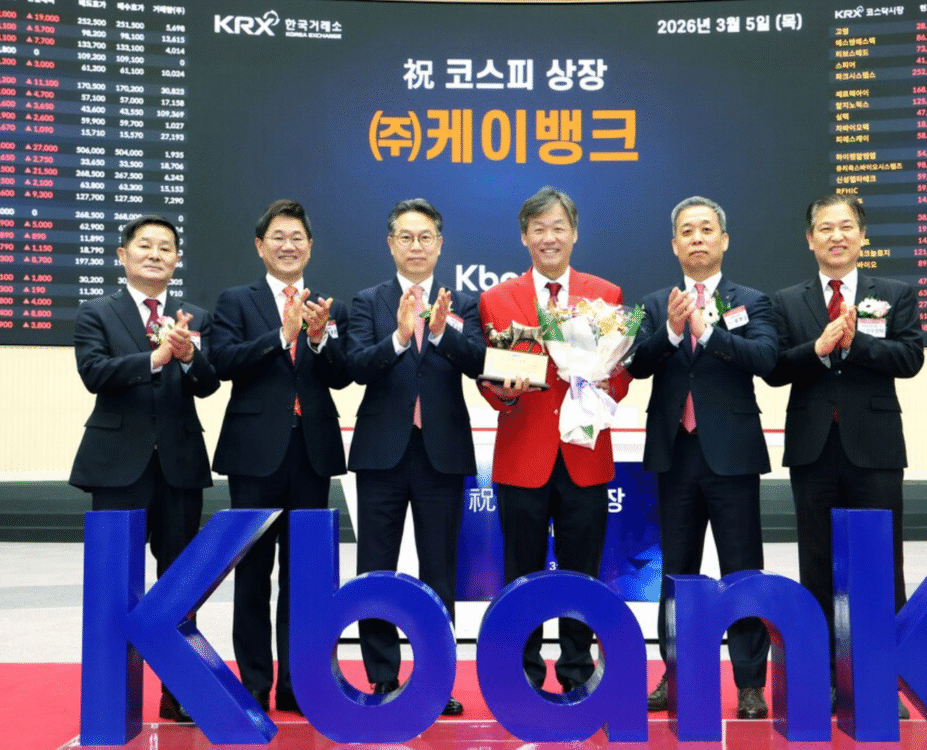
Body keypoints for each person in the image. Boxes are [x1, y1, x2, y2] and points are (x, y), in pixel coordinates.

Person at [765, 193, 924, 718]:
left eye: (846, 226)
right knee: (816, 565)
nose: (836, 236)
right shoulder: (788, 301)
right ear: (809, 239)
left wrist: (856, 345)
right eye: (825, 228)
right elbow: (775, 368)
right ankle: (825, 679)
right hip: (813, 450)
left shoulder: (894, 294)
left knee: (881, 565)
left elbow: (910, 358)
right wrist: (816, 348)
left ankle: (882, 681)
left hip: (875, 449)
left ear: (862, 236)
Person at [627, 197, 777, 718]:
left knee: (743, 571)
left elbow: (766, 358)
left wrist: (708, 334)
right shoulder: (655, 304)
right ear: (674, 245)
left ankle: (750, 684)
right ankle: (675, 676)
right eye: (687, 231)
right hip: (676, 456)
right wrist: (671, 332)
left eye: (706, 229)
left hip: (732, 456)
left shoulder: (751, 301)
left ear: (724, 240)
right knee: (677, 573)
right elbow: (636, 364)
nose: (697, 238)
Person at [478, 186, 631, 693]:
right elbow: (489, 379)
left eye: (558, 228)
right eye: (539, 229)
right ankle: (520, 674)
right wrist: (503, 392)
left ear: (575, 234)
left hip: (584, 455)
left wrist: (603, 380)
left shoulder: (605, 294)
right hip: (523, 456)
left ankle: (577, 672)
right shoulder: (497, 299)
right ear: (524, 237)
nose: (549, 238)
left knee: (582, 573)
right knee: (520, 573)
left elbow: (621, 374)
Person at [70, 215, 219, 723]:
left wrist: (189, 356)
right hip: (118, 466)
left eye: (166, 247)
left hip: (180, 465)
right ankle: (113, 692)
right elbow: (94, 373)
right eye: (145, 246)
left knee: (181, 583)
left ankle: (179, 693)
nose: (156, 254)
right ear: (123, 255)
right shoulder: (96, 312)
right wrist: (155, 357)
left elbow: (207, 384)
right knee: (116, 583)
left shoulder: (194, 316)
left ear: (177, 258)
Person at [210, 199, 351, 715]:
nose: (288, 246)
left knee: (304, 575)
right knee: (252, 574)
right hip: (254, 455)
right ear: (260, 246)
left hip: (310, 453)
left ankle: (297, 684)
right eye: (278, 237)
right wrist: (281, 336)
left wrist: (316, 339)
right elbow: (223, 362)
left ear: (310, 247)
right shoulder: (236, 301)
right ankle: (254, 683)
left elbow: (341, 375)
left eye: (297, 238)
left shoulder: (326, 307)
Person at [346, 198, 484, 717]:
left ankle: (435, 679)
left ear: (440, 244)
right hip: (381, 455)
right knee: (375, 570)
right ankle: (382, 675)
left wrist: (442, 332)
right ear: (391, 244)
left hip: (441, 455)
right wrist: (401, 337)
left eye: (425, 237)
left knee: (439, 571)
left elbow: (478, 363)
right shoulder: (367, 301)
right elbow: (357, 366)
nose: (416, 246)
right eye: (406, 237)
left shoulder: (463, 303)